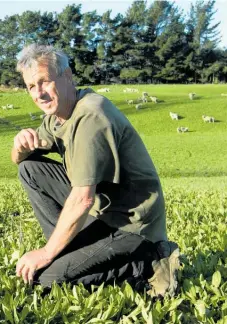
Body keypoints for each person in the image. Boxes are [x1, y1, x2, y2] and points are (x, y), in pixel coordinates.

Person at [12, 44, 180, 297]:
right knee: (30, 167)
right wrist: (20, 145)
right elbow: (19, 161)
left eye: (44, 82)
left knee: (44, 280)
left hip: (130, 224)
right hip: (102, 211)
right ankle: (68, 249)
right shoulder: (57, 115)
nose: (39, 94)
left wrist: (46, 253)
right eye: (31, 87)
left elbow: (82, 198)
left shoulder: (91, 114)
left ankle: (146, 263)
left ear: (67, 76)